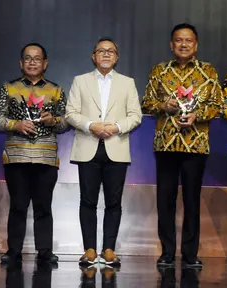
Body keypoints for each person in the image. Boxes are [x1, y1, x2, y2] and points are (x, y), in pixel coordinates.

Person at [142, 23, 223, 268]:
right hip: (165, 144)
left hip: (195, 146)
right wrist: (162, 107)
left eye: (188, 40)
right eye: (179, 40)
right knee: (165, 200)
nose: (183, 44)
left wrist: (197, 115)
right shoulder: (159, 70)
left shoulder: (208, 71)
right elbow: (146, 102)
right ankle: (167, 252)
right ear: (171, 44)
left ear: (196, 45)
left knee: (191, 200)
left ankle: (190, 254)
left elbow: (216, 104)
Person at [66, 37, 142, 266]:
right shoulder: (80, 81)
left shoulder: (128, 83)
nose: (106, 54)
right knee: (87, 201)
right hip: (88, 147)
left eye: (111, 51)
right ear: (94, 56)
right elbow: (71, 113)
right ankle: (89, 249)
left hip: (116, 148)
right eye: (101, 51)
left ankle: (109, 249)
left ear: (117, 57)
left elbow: (135, 115)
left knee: (114, 202)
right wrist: (92, 125)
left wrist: (116, 127)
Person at [0, 43, 68, 264]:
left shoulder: (56, 90)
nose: (32, 62)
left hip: (46, 157)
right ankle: (13, 250)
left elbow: (66, 122)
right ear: (21, 63)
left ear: (45, 63)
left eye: (37, 58)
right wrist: (16, 125)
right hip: (17, 156)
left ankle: (44, 252)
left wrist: (52, 120)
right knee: (18, 205)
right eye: (27, 58)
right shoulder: (9, 88)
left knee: (43, 206)